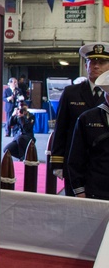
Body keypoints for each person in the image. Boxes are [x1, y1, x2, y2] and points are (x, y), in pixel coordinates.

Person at [49, 42, 109, 195]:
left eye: (102, 62)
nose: (96, 66)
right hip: (74, 161)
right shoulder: (71, 93)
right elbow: (61, 127)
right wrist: (57, 162)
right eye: (92, 61)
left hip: (102, 164)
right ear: (86, 64)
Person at [67, 70, 109, 200]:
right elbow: (76, 158)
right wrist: (79, 190)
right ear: (106, 95)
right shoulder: (87, 118)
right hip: (95, 190)